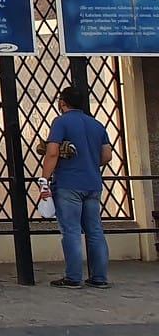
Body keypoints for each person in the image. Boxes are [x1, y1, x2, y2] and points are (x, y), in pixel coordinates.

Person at [41, 85, 114, 289]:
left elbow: (53, 152)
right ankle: (99, 277)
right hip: (93, 183)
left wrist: (45, 179)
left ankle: (73, 277)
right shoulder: (97, 124)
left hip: (68, 183)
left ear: (62, 103)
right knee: (95, 231)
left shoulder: (60, 122)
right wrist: (89, 162)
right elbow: (107, 155)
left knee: (71, 231)